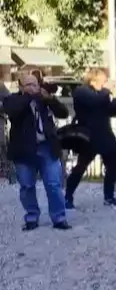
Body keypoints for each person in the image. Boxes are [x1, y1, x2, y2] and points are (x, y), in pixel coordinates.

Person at [3, 71, 70, 231]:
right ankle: (32, 216)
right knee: (27, 185)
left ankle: (59, 217)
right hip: (24, 150)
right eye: (28, 85)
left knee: (53, 184)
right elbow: (11, 110)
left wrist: (50, 99)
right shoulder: (13, 99)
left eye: (35, 84)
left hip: (47, 147)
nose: (33, 88)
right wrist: (28, 96)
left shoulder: (44, 100)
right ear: (21, 86)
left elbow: (63, 113)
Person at [64, 67, 116, 209]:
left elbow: (112, 111)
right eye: (104, 79)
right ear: (93, 79)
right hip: (88, 136)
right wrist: (108, 91)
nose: (106, 82)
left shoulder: (102, 94)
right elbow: (95, 101)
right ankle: (68, 195)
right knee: (80, 167)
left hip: (105, 133)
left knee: (112, 166)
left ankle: (109, 196)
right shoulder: (82, 91)